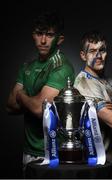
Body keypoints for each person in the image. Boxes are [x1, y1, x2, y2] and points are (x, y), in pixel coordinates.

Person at [6, 10, 75, 171]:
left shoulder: (61, 66)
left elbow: (39, 108)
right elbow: (9, 106)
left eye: (49, 35)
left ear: (60, 39)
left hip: (54, 152)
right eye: (39, 34)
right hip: (28, 151)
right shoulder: (27, 67)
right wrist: (32, 100)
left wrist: (21, 95)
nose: (43, 40)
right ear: (33, 35)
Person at [74, 30, 112, 177]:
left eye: (102, 50)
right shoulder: (84, 83)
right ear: (83, 55)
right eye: (92, 51)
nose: (98, 56)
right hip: (94, 168)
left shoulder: (109, 82)